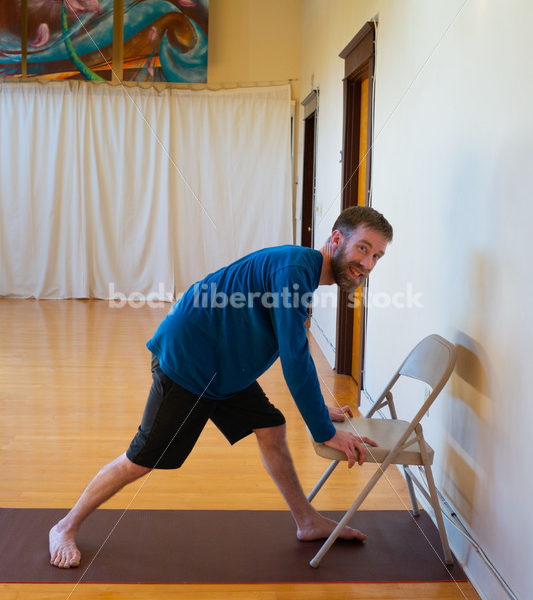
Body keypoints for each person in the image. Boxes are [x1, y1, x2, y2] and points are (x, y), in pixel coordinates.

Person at [49, 205, 393, 569]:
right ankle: (64, 527)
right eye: (363, 249)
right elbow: (295, 357)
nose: (368, 264)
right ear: (337, 239)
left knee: (272, 427)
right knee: (140, 460)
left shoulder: (302, 271)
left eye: (377, 256)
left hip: (223, 367)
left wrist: (318, 411)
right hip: (190, 363)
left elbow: (292, 350)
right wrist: (324, 431)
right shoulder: (296, 268)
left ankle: (306, 521)